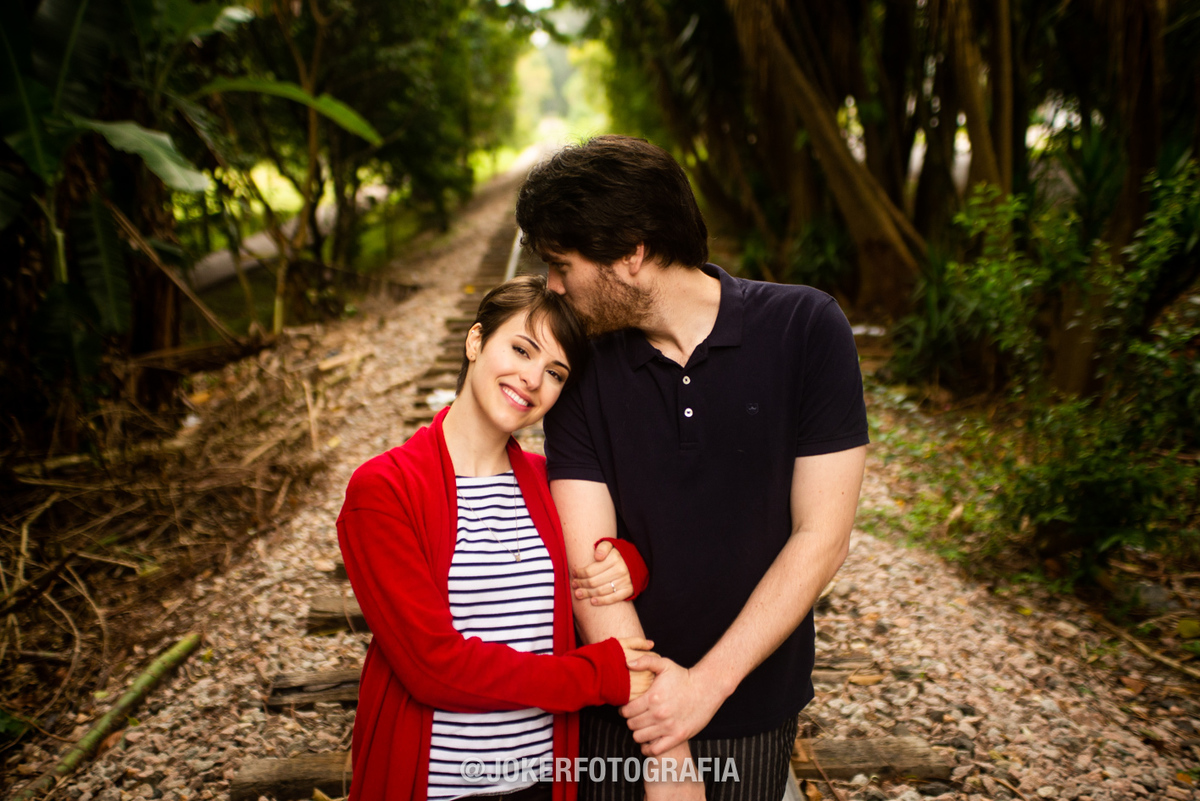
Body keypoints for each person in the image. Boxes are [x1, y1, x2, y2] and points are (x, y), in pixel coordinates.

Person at [515, 135, 869, 801]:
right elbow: (590, 568)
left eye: (560, 265)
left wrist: (703, 689)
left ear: (630, 253)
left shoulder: (807, 328)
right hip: (620, 703)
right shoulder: (582, 363)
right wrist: (665, 731)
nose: (551, 288)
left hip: (753, 699)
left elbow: (822, 535)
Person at [338, 275, 657, 801]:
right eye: (521, 349)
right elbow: (431, 667)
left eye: (555, 372)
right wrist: (594, 677)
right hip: (436, 787)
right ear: (475, 341)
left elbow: (597, 563)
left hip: (540, 784)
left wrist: (626, 562)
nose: (533, 379)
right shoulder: (383, 489)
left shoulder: (549, 481)